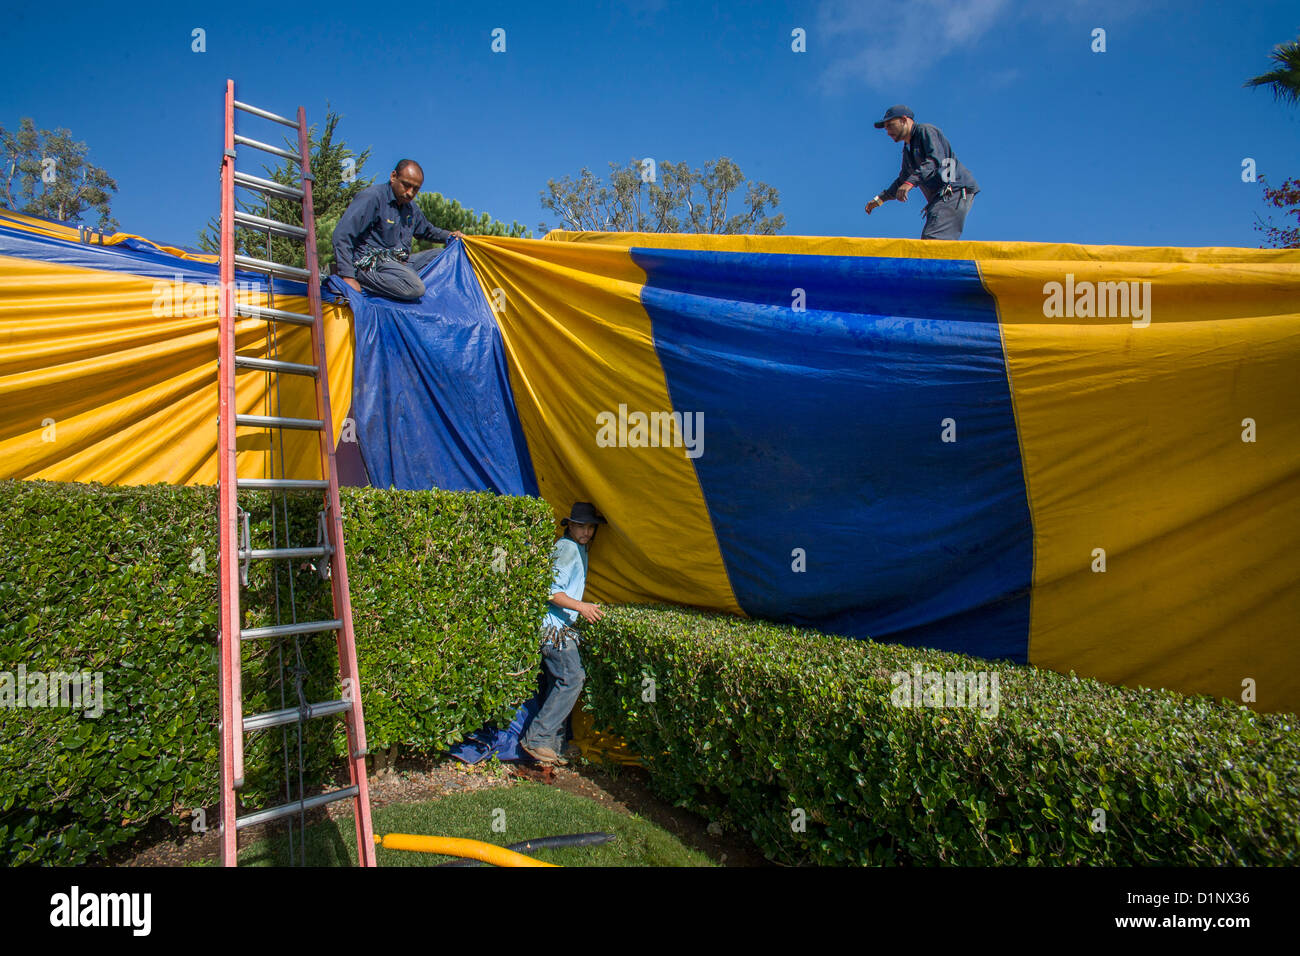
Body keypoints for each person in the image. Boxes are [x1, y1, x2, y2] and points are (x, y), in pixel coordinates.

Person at [519, 501, 606, 766]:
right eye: (581, 526)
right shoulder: (567, 549)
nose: (587, 532)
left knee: (559, 681)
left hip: (558, 628)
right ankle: (538, 739)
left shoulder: (577, 548)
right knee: (572, 678)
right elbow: (551, 592)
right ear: (569, 525)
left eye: (591, 527)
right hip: (553, 629)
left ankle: (553, 746)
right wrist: (582, 607)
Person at [332, 159, 466, 300]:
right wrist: (348, 276)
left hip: (398, 264)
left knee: (443, 256)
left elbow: (427, 231)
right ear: (393, 176)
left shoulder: (411, 208)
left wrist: (451, 236)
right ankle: (362, 277)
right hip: (371, 264)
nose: (410, 192)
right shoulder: (373, 197)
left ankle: (408, 285)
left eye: (415, 189)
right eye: (406, 185)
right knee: (415, 288)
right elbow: (342, 235)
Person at [864, 105, 980, 240]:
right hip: (939, 199)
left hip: (953, 191)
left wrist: (909, 183)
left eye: (890, 125)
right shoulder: (908, 149)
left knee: (934, 239)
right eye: (885, 128)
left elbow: (934, 160)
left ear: (904, 120)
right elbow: (903, 179)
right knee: (930, 240)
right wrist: (879, 199)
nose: (888, 132)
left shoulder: (925, 131)